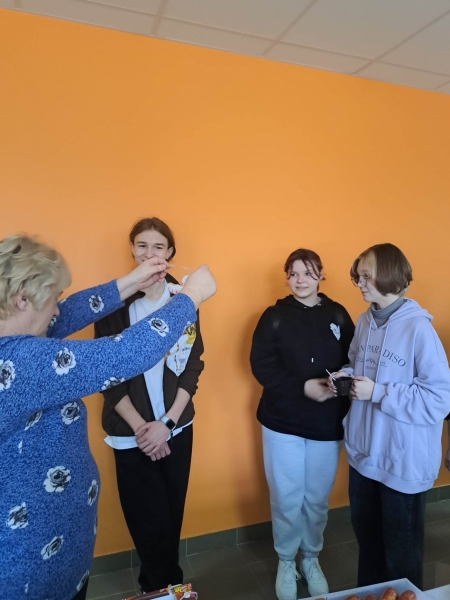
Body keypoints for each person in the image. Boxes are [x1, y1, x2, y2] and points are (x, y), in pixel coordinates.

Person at [0, 233, 216, 600]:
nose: (57, 311)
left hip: (53, 553)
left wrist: (132, 280)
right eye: (52, 299)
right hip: (30, 570)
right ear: (23, 299)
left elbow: (74, 310)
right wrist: (190, 298)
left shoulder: (16, 334)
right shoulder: (18, 363)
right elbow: (122, 356)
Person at [328, 243, 450, 590]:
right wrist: (344, 376)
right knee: (369, 553)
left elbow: (438, 399)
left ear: (391, 276)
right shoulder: (364, 321)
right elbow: (357, 363)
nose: (360, 284)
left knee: (401, 563)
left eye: (367, 276)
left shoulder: (419, 330)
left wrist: (379, 393)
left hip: (401, 466)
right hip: (363, 458)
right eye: (358, 277)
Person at [94, 218, 204, 593]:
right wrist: (145, 430)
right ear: (131, 248)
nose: (149, 253)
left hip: (177, 429)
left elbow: (193, 365)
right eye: (142, 245)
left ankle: (157, 588)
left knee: (170, 520)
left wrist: (167, 424)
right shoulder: (112, 305)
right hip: (132, 435)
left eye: (158, 246)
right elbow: (106, 376)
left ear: (170, 253)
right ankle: (169, 588)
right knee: (148, 525)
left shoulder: (184, 300)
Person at [250, 249, 354, 600]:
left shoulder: (338, 314)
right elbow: (261, 366)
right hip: (282, 424)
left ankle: (310, 557)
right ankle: (285, 560)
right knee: (286, 497)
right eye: (293, 273)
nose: (300, 280)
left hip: (326, 425)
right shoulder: (273, 317)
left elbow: (354, 359)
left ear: (321, 275)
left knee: (316, 499)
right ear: (287, 278)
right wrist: (302, 387)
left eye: (308, 273)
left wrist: (341, 379)